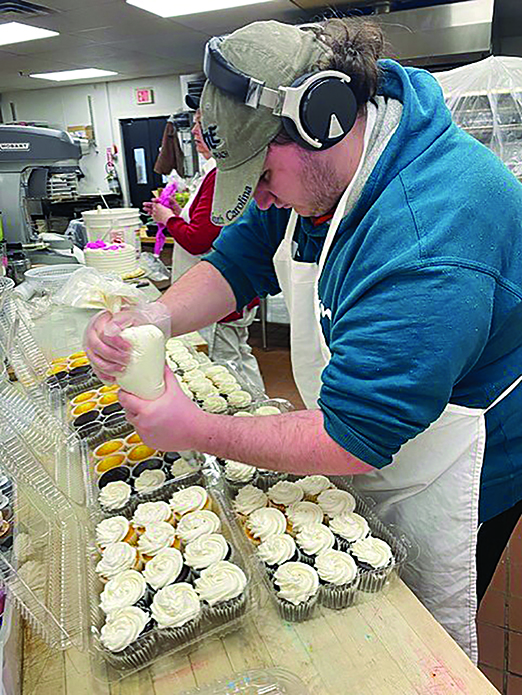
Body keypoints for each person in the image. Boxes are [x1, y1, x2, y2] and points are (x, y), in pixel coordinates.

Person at [85, 18, 522, 660]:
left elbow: (356, 437)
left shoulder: (428, 239)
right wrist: (154, 318)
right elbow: (241, 257)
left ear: (323, 120)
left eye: (261, 176)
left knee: (410, 623)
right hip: (369, 421)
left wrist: (196, 429)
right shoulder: (329, 166)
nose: (260, 200)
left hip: (462, 452)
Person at [143, 103, 264, 392]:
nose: (195, 131)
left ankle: (247, 418)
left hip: (219, 296)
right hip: (229, 291)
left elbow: (200, 238)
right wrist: (177, 211)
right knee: (238, 357)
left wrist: (169, 220)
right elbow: (205, 221)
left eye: (203, 124)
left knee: (225, 366)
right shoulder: (213, 174)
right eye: (195, 124)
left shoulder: (220, 175)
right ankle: (261, 407)